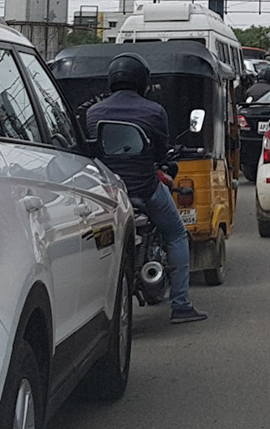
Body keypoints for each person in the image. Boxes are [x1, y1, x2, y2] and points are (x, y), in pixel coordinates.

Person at [85, 53, 208, 324]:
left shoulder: (94, 113)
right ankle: (181, 305)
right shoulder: (154, 111)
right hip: (146, 189)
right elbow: (161, 152)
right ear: (142, 80)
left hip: (110, 194)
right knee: (177, 234)